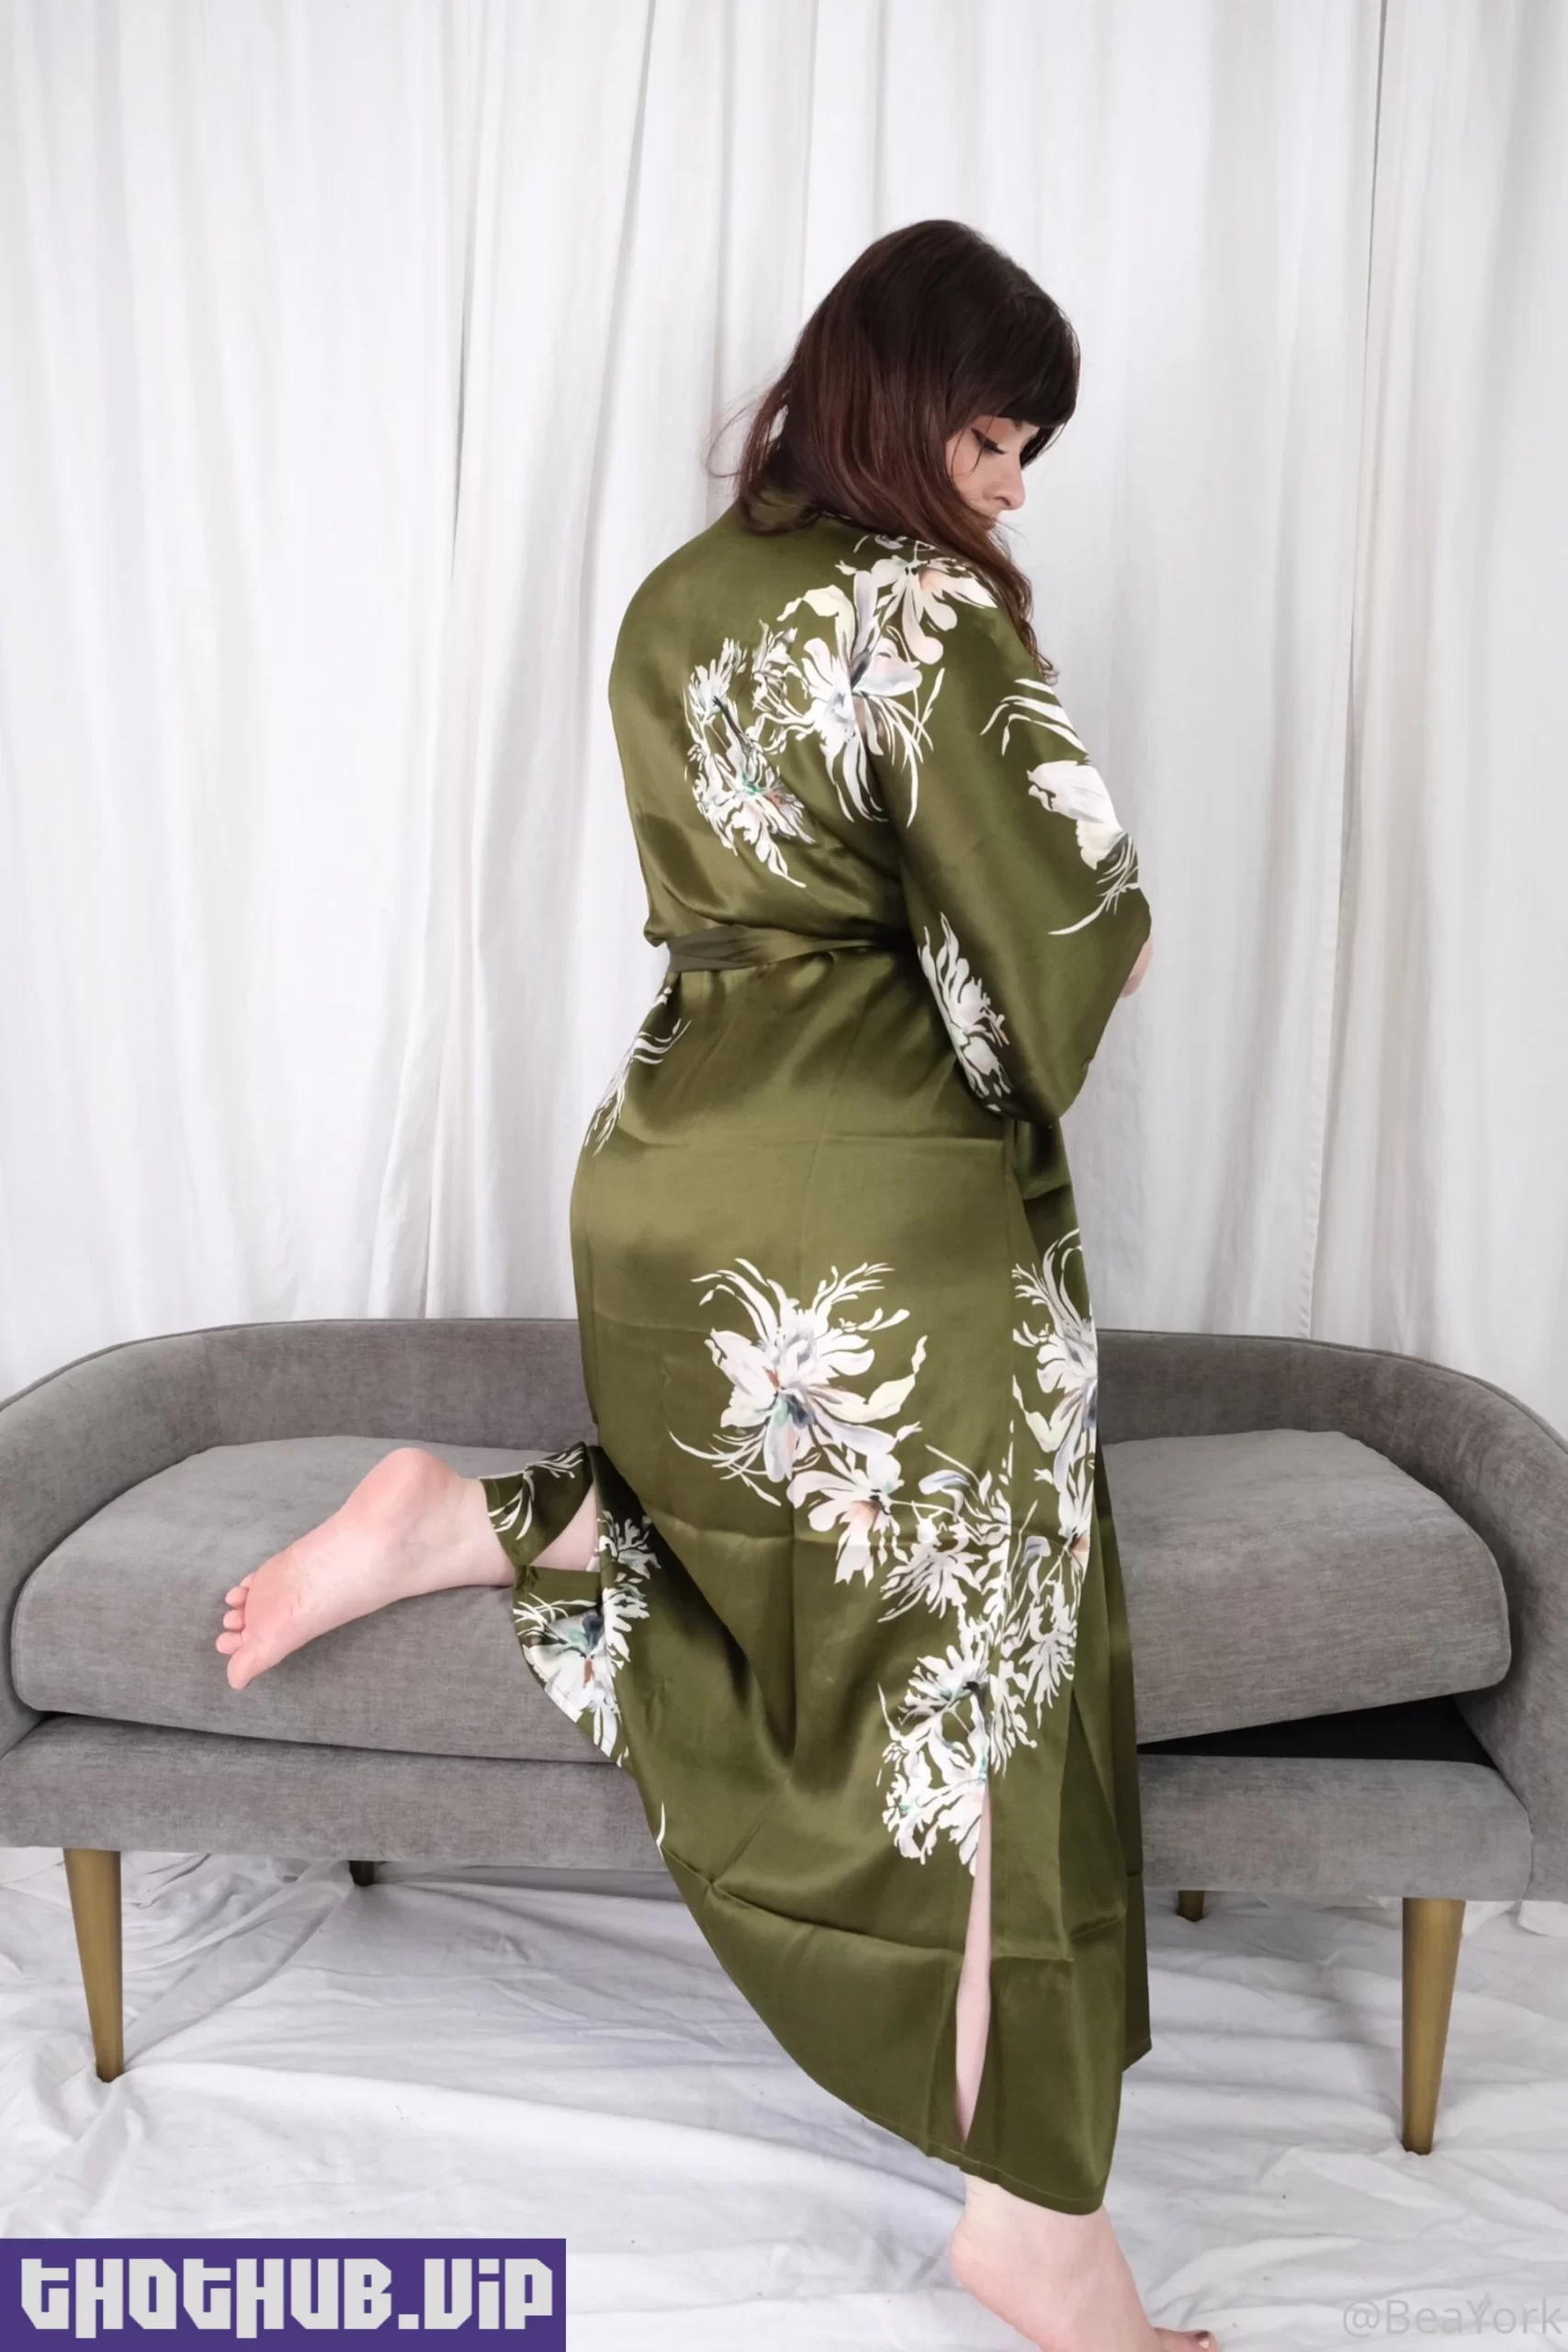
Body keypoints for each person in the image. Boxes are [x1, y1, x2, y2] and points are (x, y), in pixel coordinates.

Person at [215, 219, 1214, 2352]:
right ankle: (1032, 2224)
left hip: (669, 1191)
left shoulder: (670, 602)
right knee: (987, 1692)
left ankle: (515, 1521)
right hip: (880, 1219)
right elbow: (1071, 950)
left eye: (1023, 452)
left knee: (810, 1625)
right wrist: (1100, 931)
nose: (1006, 484)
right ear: (905, 397)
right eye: (990, 434)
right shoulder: (926, 610)